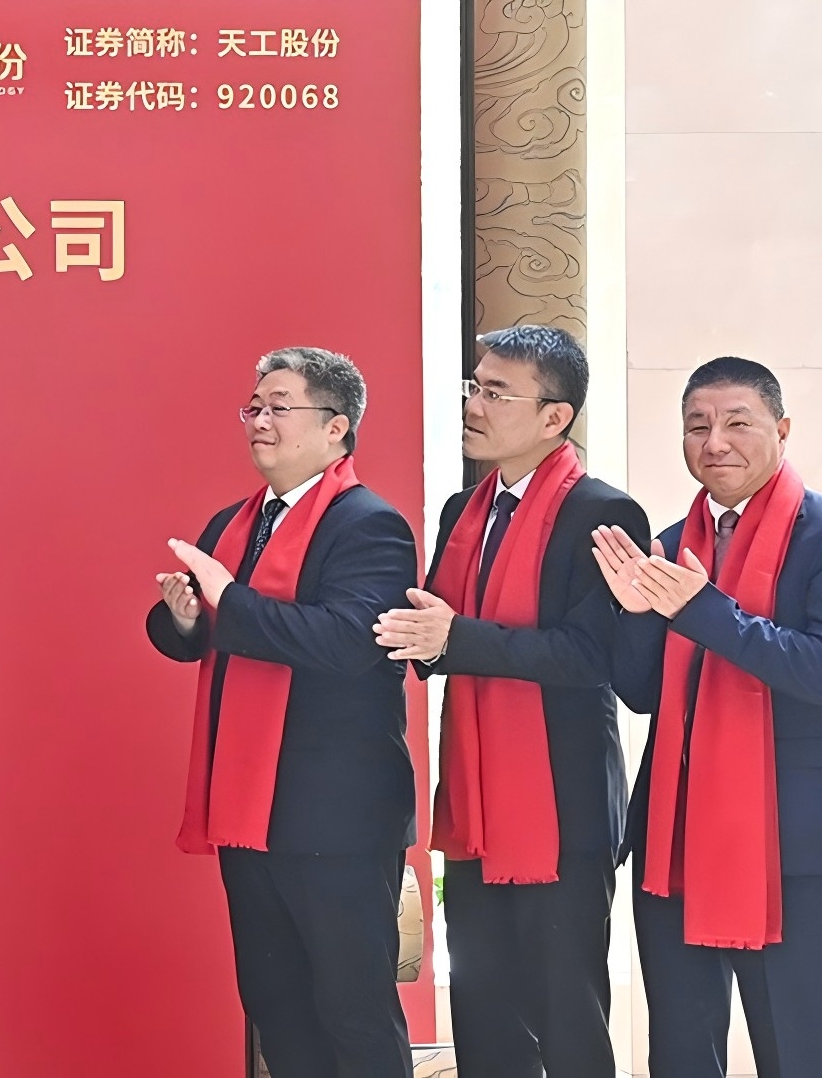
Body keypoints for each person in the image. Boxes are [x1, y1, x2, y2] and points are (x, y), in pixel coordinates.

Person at [592, 357, 822, 1078]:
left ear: (782, 431)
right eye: (697, 426)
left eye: (737, 423)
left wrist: (700, 608)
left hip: (794, 837)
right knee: (680, 1050)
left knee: (795, 1046)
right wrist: (635, 615)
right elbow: (641, 692)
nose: (714, 442)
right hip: (677, 832)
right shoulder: (670, 544)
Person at [371, 326, 644, 1078]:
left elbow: (590, 656)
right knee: (484, 1015)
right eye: (474, 386)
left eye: (496, 393)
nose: (474, 405)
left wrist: (455, 638)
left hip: (561, 804)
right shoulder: (465, 509)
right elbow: (433, 630)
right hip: (476, 801)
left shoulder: (603, 513)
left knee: (566, 1016)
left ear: (555, 417)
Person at [147, 347, 417, 1078]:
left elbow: (346, 642)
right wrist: (185, 618)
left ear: (336, 427)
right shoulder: (233, 523)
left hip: (337, 816)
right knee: (277, 1008)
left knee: (354, 1013)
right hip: (249, 810)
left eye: (279, 407)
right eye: (254, 407)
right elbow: (195, 634)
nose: (259, 421)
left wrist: (228, 600)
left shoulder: (370, 525)